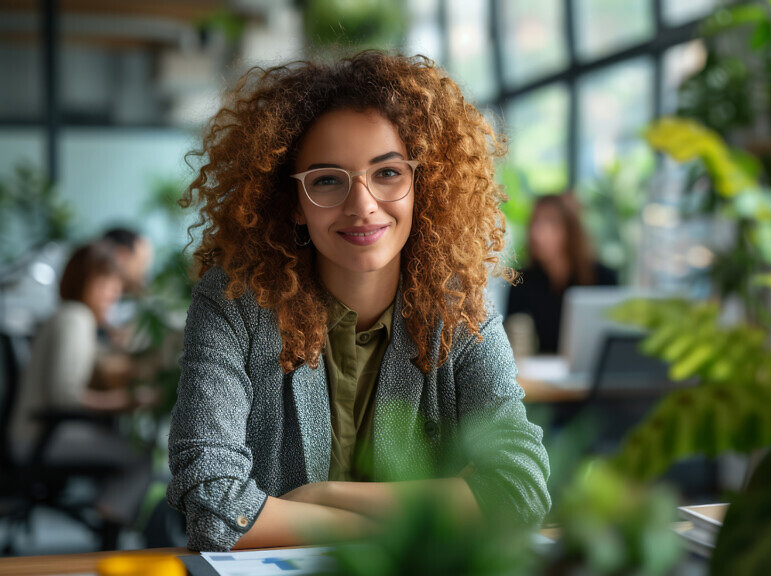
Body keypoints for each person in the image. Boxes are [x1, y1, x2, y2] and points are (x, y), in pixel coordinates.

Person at [167, 50, 551, 551]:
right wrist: (389, 533)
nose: (362, 204)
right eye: (327, 180)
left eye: (388, 172)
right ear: (295, 204)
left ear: (421, 185)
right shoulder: (236, 301)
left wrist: (324, 495)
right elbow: (214, 504)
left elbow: (520, 491)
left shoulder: (457, 310)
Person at [10, 240, 153, 533]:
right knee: (139, 455)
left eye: (116, 284)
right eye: (105, 282)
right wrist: (128, 402)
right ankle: (108, 527)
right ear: (82, 281)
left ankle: (106, 517)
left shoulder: (66, 316)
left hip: (35, 433)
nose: (113, 292)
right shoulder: (76, 319)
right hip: (41, 437)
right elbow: (65, 397)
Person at [506, 193, 618, 355]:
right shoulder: (520, 281)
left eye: (550, 222)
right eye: (535, 222)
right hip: (536, 377)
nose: (537, 232)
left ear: (570, 230)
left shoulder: (603, 278)